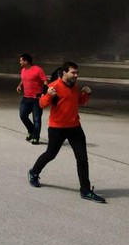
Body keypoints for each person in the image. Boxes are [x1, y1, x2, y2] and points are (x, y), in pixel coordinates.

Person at [27, 61, 106, 203]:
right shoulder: (54, 86)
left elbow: (77, 101)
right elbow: (42, 104)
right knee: (50, 154)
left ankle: (86, 191)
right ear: (64, 73)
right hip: (57, 128)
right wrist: (49, 95)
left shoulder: (74, 87)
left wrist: (86, 94)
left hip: (75, 127)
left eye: (77, 73)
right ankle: (34, 172)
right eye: (73, 72)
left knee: (82, 159)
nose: (76, 75)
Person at [16, 53, 48, 144]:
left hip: (36, 99)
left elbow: (45, 81)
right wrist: (19, 85)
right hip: (26, 98)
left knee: (36, 119)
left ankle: (35, 137)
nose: (20, 62)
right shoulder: (23, 70)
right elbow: (24, 78)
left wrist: (44, 93)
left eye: (21, 60)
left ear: (26, 61)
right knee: (23, 115)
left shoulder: (38, 70)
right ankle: (31, 130)